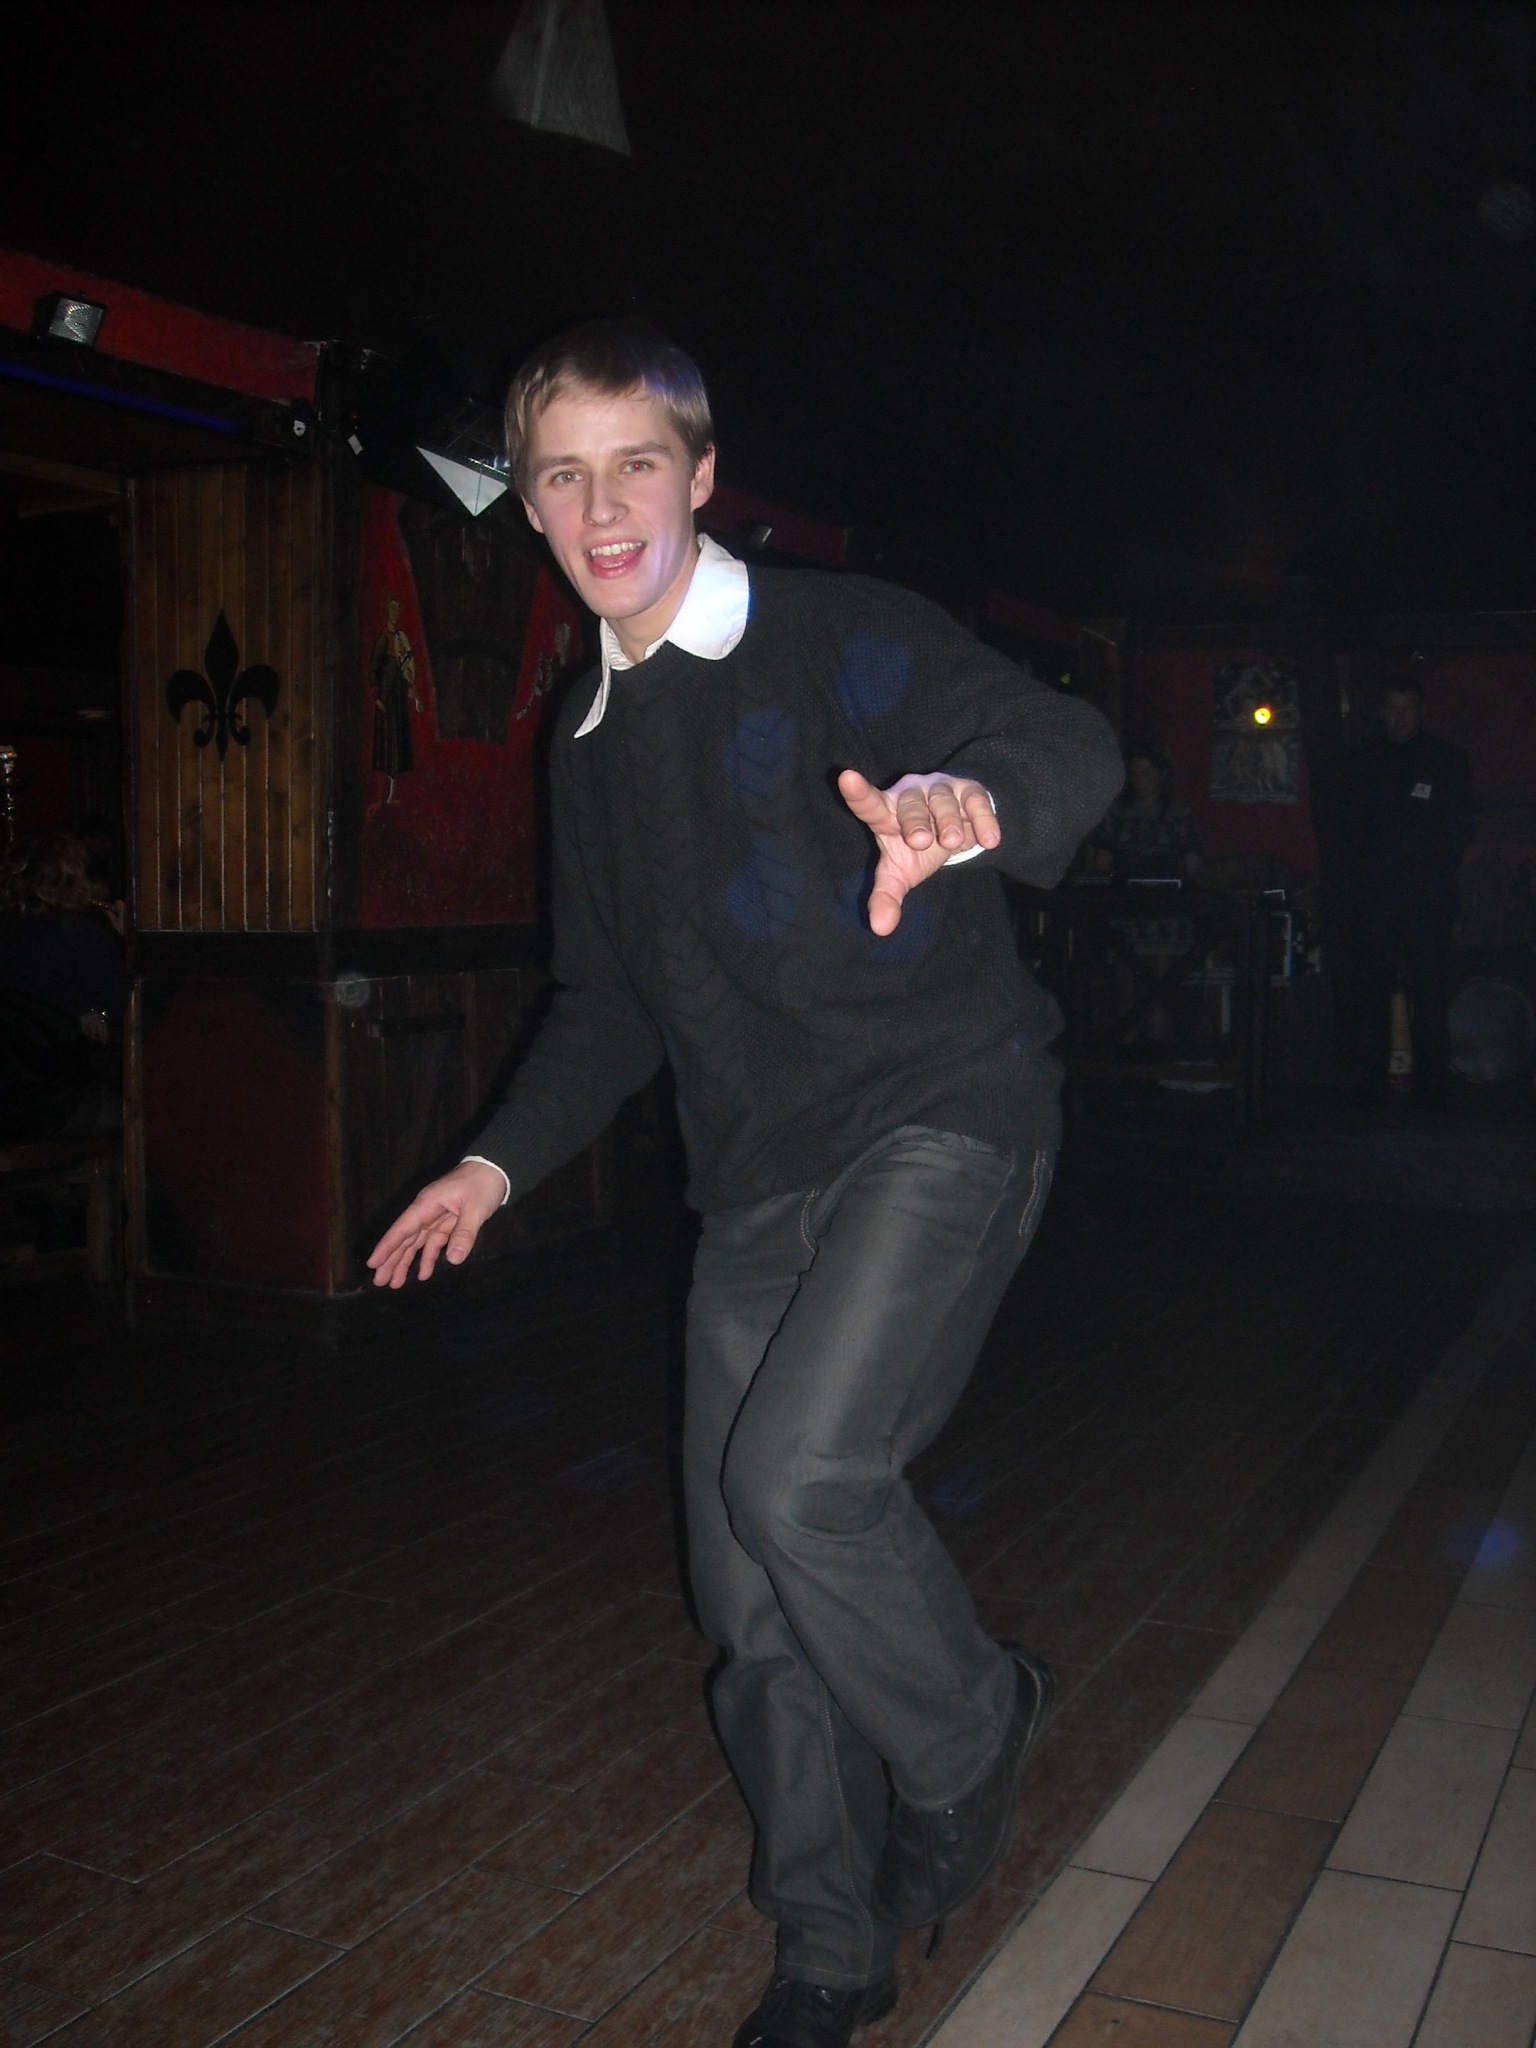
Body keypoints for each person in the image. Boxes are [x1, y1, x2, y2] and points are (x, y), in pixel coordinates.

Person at [367, 320, 1122, 2048]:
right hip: (757, 1181)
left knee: (802, 1479)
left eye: (635, 463)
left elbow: (1056, 740)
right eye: (562, 474)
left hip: (943, 1116)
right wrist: (488, 1161)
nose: (600, 506)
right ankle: (830, 1949)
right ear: (529, 505)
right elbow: (606, 1002)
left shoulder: (841, 633)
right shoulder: (582, 739)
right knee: (748, 1601)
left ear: (702, 476)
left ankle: (975, 1723)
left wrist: (971, 798)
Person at [1341, 674, 1473, 1105]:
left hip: (1426, 900)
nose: (1400, 717)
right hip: (1376, 900)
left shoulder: (1445, 761)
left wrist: (1429, 875)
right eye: (1393, 709)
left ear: (1422, 712)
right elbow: (1349, 833)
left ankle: (1434, 1086)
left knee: (1430, 993)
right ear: (1381, 712)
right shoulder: (1362, 764)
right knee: (1372, 993)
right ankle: (1367, 1084)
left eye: (1408, 709)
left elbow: (1460, 829)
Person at [0, 829, 126, 1140]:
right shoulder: (82, 934)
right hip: (54, 1101)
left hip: (12, 1097)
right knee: (147, 1110)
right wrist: (126, 942)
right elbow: (120, 1009)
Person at [1086, 742, 1201, 882]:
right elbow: (1102, 862)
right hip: (1123, 890)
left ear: (1162, 774)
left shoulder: (1178, 813)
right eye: (1134, 774)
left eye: (1146, 774)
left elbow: (1193, 864)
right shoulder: (1116, 812)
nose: (1139, 781)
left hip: (1164, 890)